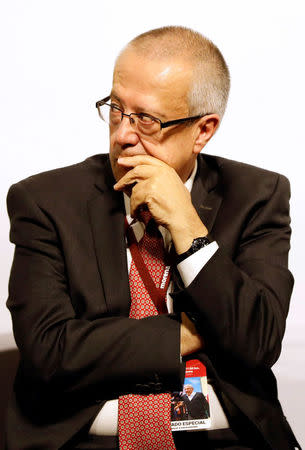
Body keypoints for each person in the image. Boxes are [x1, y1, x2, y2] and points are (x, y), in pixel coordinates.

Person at [5, 26, 300, 450]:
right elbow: (49, 350)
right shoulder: (45, 202)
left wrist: (187, 226)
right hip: (83, 439)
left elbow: (257, 341)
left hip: (221, 437)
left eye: (147, 119)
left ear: (203, 130)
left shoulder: (257, 195)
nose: (124, 134)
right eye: (116, 109)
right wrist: (190, 334)